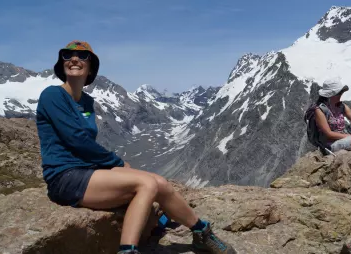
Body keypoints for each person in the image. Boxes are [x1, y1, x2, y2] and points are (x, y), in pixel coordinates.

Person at [35, 40, 236, 254]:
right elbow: (77, 140)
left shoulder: (86, 102)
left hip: (86, 171)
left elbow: (84, 143)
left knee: (160, 182)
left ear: (91, 67)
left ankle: (201, 233)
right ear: (62, 63)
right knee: (146, 184)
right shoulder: (53, 95)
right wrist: (118, 163)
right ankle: (128, 250)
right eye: (67, 55)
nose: (74, 59)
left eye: (82, 56)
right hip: (65, 176)